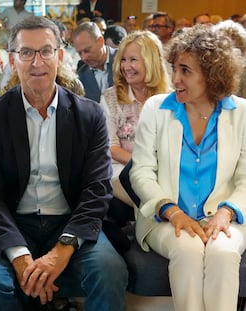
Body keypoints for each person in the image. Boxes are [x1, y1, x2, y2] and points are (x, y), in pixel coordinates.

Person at [0, 16, 127, 311]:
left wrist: (62, 250)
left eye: (45, 51)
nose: (36, 61)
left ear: (61, 56)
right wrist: (20, 257)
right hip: (14, 222)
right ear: (13, 60)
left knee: (110, 270)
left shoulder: (89, 115)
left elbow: (97, 189)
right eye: (26, 52)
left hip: (71, 220)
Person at [130, 25, 246, 311]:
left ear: (212, 74)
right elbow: (140, 171)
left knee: (223, 252)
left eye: (185, 70)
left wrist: (227, 211)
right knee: (188, 248)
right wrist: (171, 210)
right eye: (174, 68)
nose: (175, 79)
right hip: (164, 217)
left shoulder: (241, 113)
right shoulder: (156, 108)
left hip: (223, 216)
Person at [101, 30, 169, 209]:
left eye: (133, 60)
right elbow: (112, 148)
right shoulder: (110, 97)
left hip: (163, 170)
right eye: (123, 60)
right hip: (122, 169)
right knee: (148, 198)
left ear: (151, 61)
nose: (126, 66)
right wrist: (144, 166)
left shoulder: (170, 98)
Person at [72, 21, 117, 102]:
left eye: (87, 50)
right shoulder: (81, 76)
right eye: (79, 53)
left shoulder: (124, 60)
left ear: (101, 41)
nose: (83, 58)